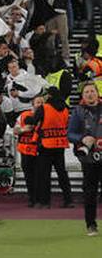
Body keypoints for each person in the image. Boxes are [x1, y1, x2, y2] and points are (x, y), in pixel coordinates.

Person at [26, 88, 73, 208]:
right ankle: (68, 200)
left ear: (50, 95)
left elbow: (33, 120)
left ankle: (45, 202)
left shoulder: (44, 108)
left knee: (44, 174)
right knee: (62, 173)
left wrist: (28, 119)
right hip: (60, 143)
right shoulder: (65, 108)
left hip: (46, 145)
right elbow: (67, 124)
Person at [68, 83, 102, 235]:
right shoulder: (78, 111)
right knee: (90, 192)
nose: (90, 94)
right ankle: (91, 224)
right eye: (86, 92)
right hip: (88, 159)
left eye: (92, 91)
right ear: (82, 96)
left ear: (97, 93)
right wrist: (82, 138)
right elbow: (70, 134)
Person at [15, 95, 42, 208]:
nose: (40, 104)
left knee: (38, 176)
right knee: (28, 176)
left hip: (39, 150)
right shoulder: (23, 115)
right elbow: (15, 130)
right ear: (33, 104)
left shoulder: (46, 116)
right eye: (38, 102)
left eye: (42, 102)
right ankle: (31, 198)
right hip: (25, 150)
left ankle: (39, 199)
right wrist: (23, 129)